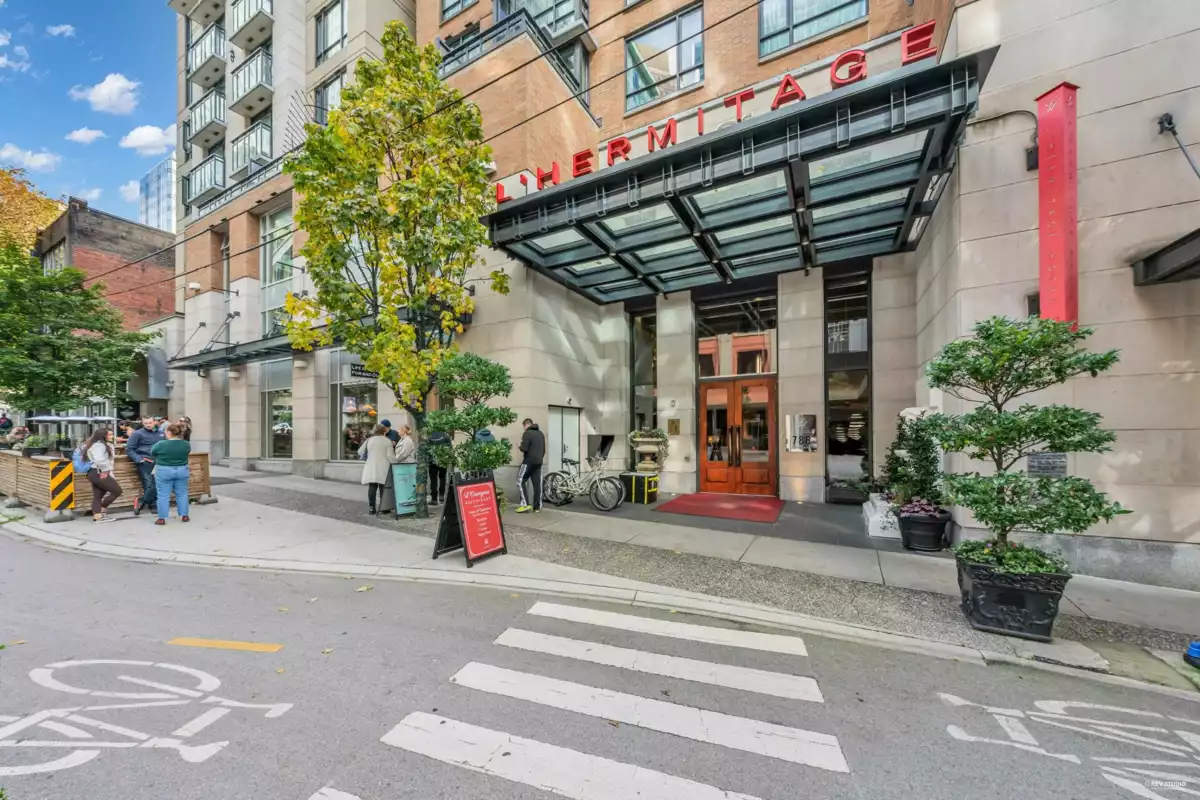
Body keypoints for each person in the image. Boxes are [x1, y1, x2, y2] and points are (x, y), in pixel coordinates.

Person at [150, 423, 192, 525]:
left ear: (169, 433)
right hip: (182, 470)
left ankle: (161, 518)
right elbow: (187, 452)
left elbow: (152, 452)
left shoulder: (161, 444)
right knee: (182, 493)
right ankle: (184, 515)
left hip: (164, 470)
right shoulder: (186, 444)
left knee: (163, 495)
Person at [125, 415, 164, 516]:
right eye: (146, 423)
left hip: (159, 462)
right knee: (149, 483)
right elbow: (129, 449)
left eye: (150, 423)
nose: (148, 425)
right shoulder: (137, 434)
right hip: (145, 462)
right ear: (142, 423)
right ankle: (153, 504)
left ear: (154, 422)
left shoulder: (161, 433)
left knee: (156, 483)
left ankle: (141, 501)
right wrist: (139, 459)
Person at [83, 427, 122, 523]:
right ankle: (102, 510)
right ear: (102, 436)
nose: (111, 436)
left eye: (112, 434)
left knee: (98, 496)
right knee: (117, 491)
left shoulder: (102, 445)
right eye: (109, 435)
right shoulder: (99, 446)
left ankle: (98, 516)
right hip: (98, 472)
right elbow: (99, 460)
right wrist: (105, 471)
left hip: (96, 472)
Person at [359, 423, 399, 515]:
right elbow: (390, 456)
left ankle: (371, 508)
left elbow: (360, 451)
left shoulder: (369, 440)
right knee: (383, 488)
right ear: (384, 431)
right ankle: (384, 508)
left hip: (371, 466)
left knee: (372, 487)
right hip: (383, 467)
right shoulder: (386, 441)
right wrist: (395, 463)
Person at [516, 418, 545, 513]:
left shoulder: (527, 433)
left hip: (528, 461)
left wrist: (519, 446)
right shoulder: (540, 433)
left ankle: (525, 504)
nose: (524, 429)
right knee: (537, 483)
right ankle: (537, 506)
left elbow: (524, 448)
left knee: (520, 480)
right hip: (539, 461)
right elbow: (543, 449)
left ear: (526, 425)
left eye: (524, 427)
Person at [426, 429, 451, 506]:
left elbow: (427, 450)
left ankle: (434, 499)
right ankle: (441, 496)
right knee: (442, 478)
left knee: (433, 480)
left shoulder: (429, 437)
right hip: (443, 461)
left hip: (432, 462)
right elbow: (449, 448)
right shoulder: (446, 436)